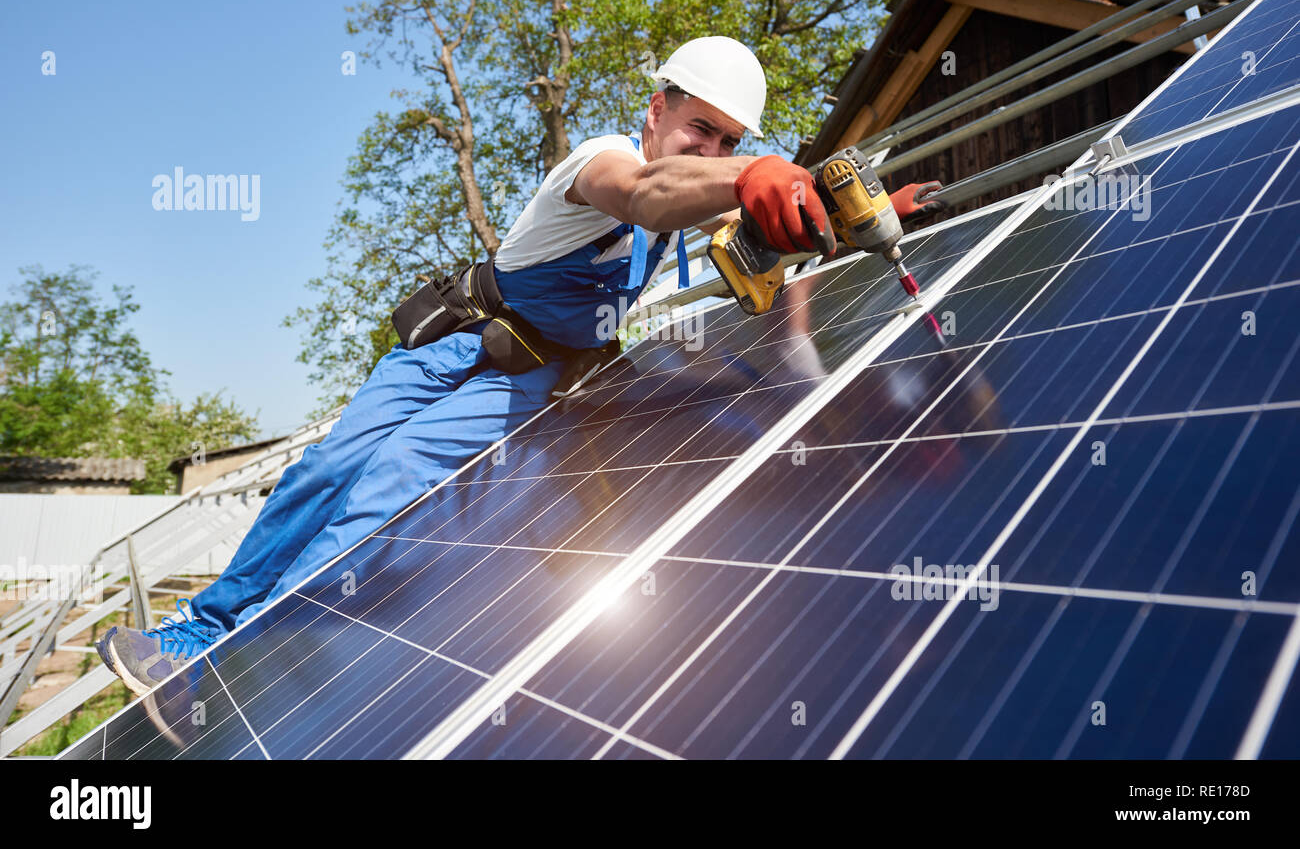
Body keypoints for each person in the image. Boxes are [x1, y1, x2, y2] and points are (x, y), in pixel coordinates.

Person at [96, 35, 942, 698]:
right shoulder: (605, 161)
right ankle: (194, 633)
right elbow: (649, 190)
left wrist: (842, 213)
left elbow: (732, 224)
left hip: (533, 375)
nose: (714, 147)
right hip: (460, 339)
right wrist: (752, 171)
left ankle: (238, 664)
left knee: (391, 485)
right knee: (329, 464)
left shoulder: (696, 192)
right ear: (657, 109)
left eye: (730, 139)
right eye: (701, 128)